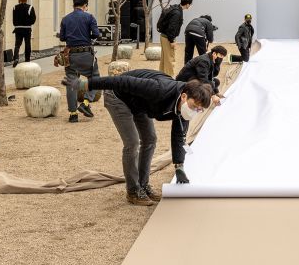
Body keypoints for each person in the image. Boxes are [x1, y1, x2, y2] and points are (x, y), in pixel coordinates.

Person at [79, 69, 214, 206]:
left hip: (139, 103)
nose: (194, 111)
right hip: (118, 95)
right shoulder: (159, 89)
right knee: (132, 143)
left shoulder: (185, 110)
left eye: (199, 109)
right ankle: (132, 191)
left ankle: (143, 185)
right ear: (184, 97)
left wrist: (179, 166)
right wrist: (89, 84)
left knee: (150, 139)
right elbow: (121, 81)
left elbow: (179, 137)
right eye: (194, 106)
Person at [58, 0, 101, 123]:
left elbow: (62, 38)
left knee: (71, 81)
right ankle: (86, 103)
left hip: (70, 55)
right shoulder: (89, 17)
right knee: (95, 78)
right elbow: (96, 34)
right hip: (86, 54)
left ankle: (73, 113)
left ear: (74, 4)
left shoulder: (65, 19)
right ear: (85, 5)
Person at [155, 0, 193, 77]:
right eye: (190, 4)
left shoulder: (176, 8)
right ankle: (169, 78)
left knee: (164, 58)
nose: (190, 6)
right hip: (168, 38)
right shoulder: (177, 13)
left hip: (164, 36)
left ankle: (161, 76)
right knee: (170, 59)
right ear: (187, 4)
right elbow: (172, 28)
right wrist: (172, 41)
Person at [11, 0, 36, 67]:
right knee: (27, 43)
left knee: (17, 44)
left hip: (18, 28)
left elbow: (14, 19)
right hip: (27, 29)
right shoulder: (30, 7)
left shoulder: (15, 7)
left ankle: (16, 58)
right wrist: (29, 24)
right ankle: (27, 59)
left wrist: (16, 25)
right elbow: (33, 19)